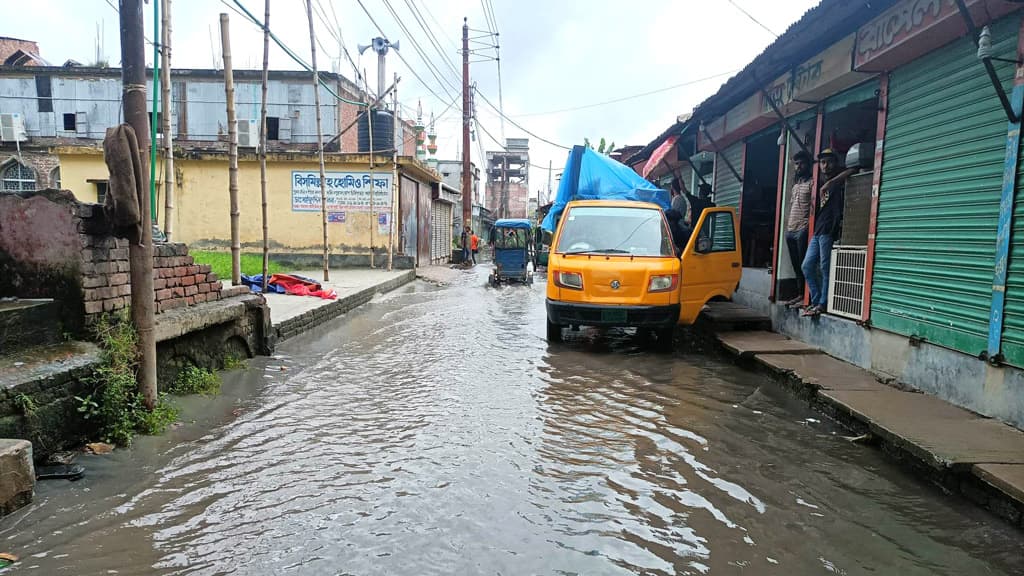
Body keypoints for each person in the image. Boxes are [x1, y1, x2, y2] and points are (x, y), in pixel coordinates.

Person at [801, 148, 858, 317]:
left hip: (828, 230)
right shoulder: (819, 181)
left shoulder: (839, 178)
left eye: (829, 162)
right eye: (823, 163)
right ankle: (817, 299)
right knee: (807, 266)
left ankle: (822, 304)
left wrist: (831, 183)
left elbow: (854, 169)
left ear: (836, 163)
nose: (825, 166)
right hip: (818, 230)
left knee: (826, 267)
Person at [784, 150, 813, 307]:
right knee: (796, 265)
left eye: (801, 163)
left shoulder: (812, 183)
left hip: (803, 229)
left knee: (804, 265)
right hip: (791, 229)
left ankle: (806, 296)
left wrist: (808, 225)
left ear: (808, 165)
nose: (799, 166)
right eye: (796, 164)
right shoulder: (796, 186)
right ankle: (800, 294)